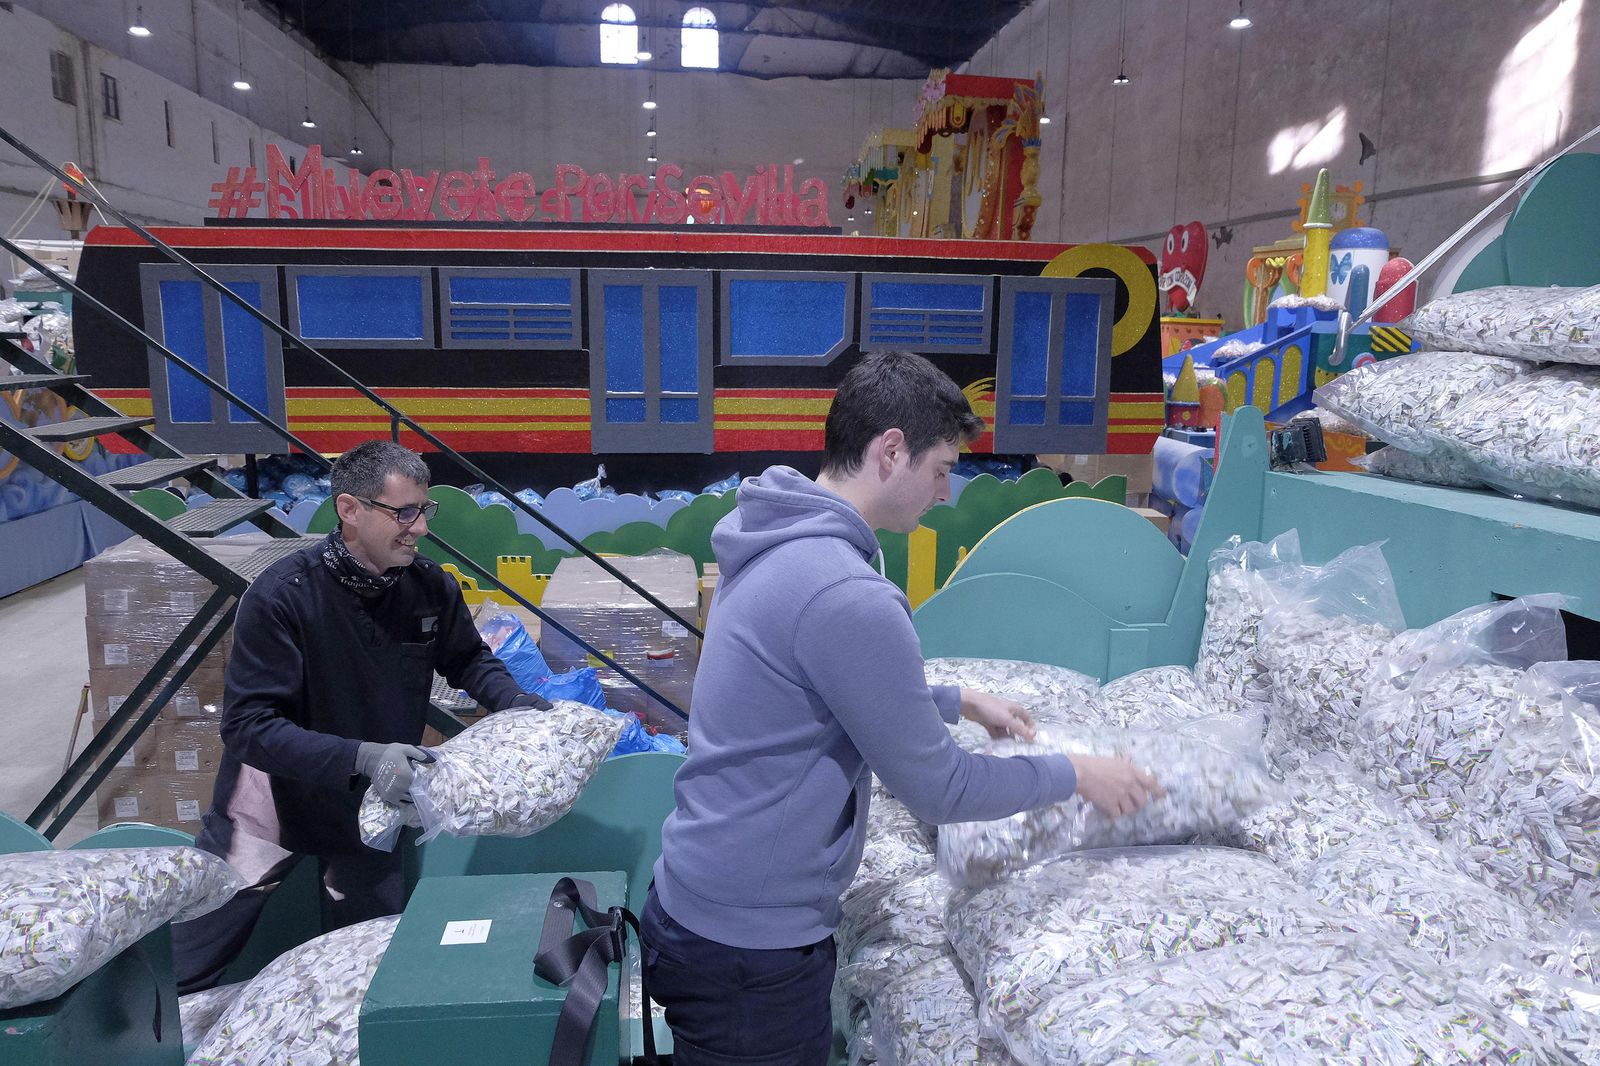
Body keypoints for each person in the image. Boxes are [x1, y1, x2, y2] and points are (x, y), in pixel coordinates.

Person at [642, 350, 1162, 1065]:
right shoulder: (844, 590)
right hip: (749, 952)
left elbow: (816, 688)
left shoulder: (780, 536)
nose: (946, 493)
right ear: (891, 451)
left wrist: (956, 698)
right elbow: (942, 789)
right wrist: (1075, 774)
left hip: (699, 902)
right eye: (943, 468)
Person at [173, 441, 550, 993]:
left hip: (373, 804)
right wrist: (363, 756)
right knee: (192, 954)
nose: (419, 528)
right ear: (349, 509)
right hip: (272, 801)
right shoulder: (284, 597)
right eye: (403, 512)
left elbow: (468, 658)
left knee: (370, 962)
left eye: (425, 510)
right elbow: (249, 726)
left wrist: (514, 702)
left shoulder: (428, 588)